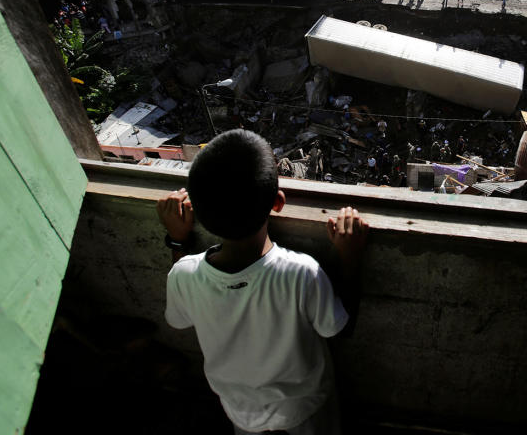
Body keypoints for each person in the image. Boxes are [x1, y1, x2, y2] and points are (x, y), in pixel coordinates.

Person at [157, 130, 369, 435]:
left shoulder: (184, 273)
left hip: (240, 411)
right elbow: (338, 326)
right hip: (305, 409)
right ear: (278, 203)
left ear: (197, 213)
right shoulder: (300, 273)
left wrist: (177, 240)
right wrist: (350, 257)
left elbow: (179, 319)